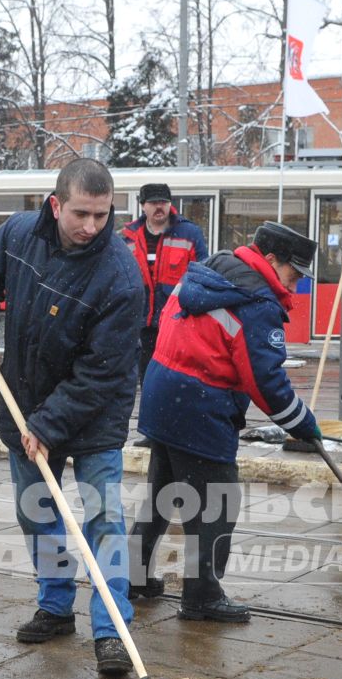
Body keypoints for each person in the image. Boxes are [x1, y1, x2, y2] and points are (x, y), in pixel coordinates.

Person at [0, 157, 146, 676]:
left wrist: (47, 425)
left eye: (103, 215)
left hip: (93, 418)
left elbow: (103, 374)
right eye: (82, 214)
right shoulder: (19, 234)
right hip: (22, 401)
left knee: (104, 521)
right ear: (56, 204)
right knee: (36, 511)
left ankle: (111, 631)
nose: (92, 227)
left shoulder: (121, 276)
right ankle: (56, 603)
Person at [134, 222, 322, 622]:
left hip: (162, 395)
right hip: (201, 405)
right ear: (271, 261)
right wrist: (302, 424)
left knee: (160, 495)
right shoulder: (255, 302)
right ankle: (202, 595)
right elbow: (265, 381)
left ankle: (133, 577)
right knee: (216, 504)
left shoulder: (209, 271)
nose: (296, 284)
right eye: (294, 273)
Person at [119, 182, 207, 379]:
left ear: (170, 204)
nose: (159, 207)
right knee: (147, 378)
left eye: (163, 202)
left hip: (178, 322)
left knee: (176, 378)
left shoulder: (189, 234)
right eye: (153, 203)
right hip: (143, 325)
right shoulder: (128, 238)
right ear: (143, 206)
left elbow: (203, 274)